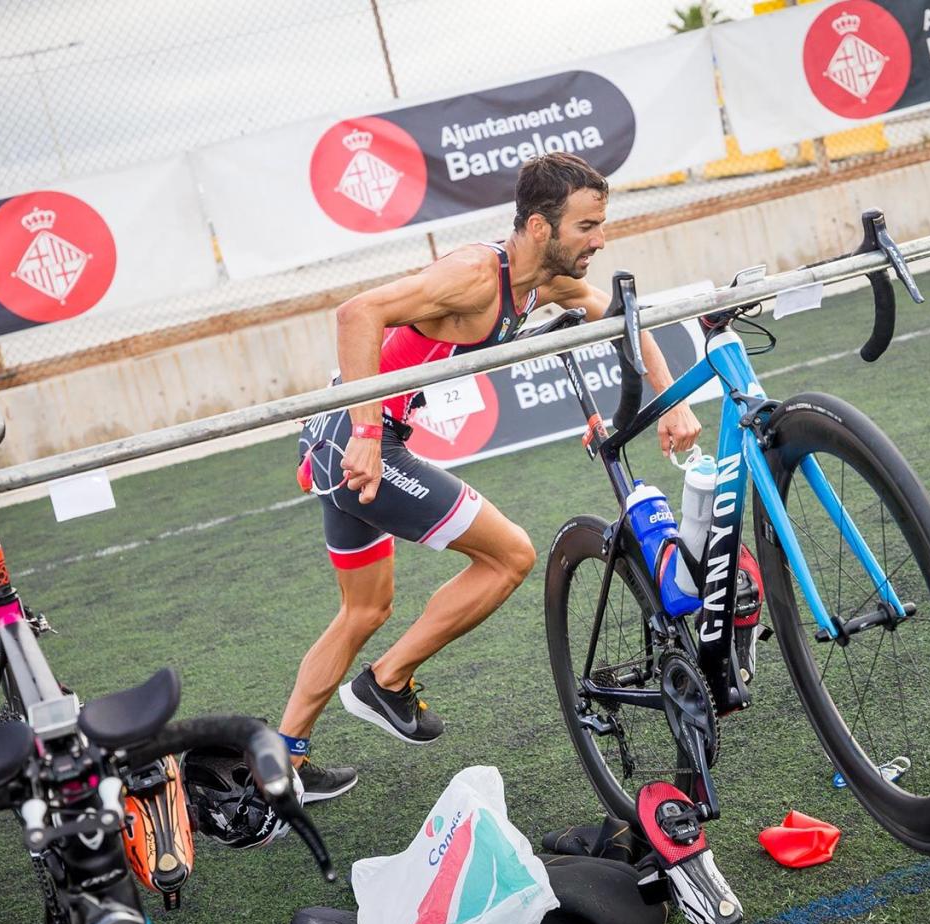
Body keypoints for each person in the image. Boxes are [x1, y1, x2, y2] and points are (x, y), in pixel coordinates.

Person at [275, 153, 702, 800]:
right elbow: (356, 314)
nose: (600, 238)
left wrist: (670, 402)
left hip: (344, 439)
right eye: (587, 225)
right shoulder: (476, 276)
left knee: (364, 609)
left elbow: (618, 316)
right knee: (510, 556)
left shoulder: (544, 282)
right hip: (360, 443)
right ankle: (386, 682)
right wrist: (364, 433)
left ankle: (282, 768)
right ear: (538, 226)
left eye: (601, 223)